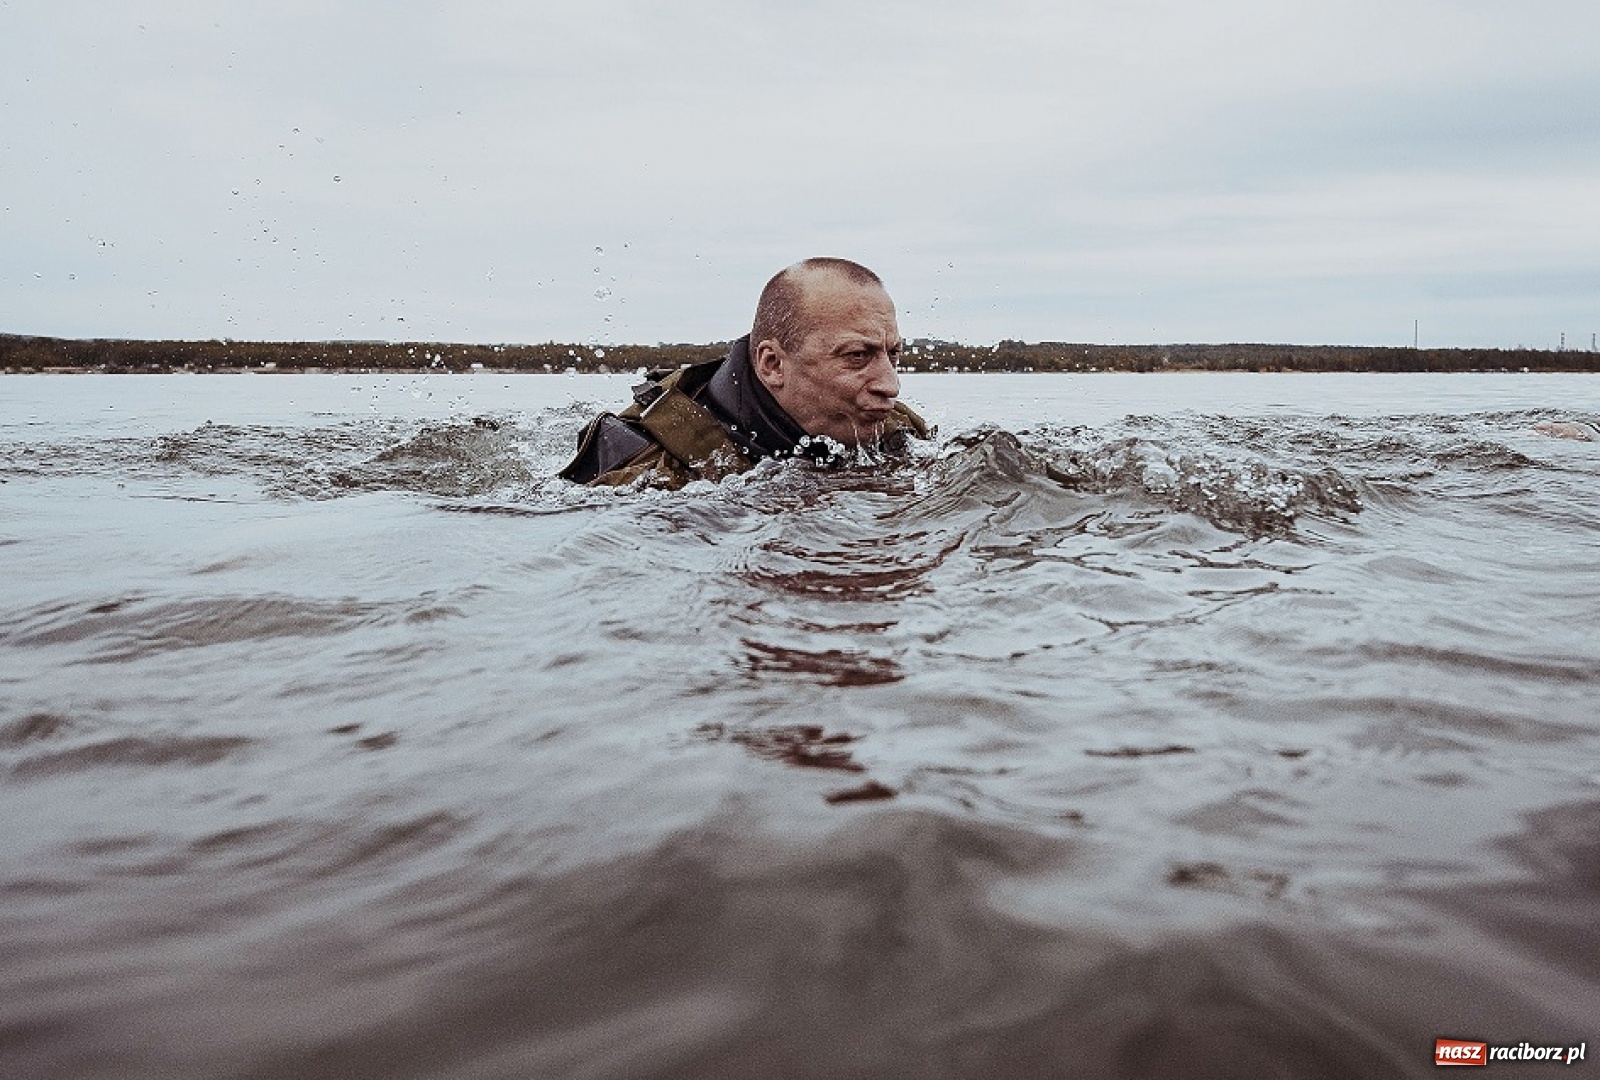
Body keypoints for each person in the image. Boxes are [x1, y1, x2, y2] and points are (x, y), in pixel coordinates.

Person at [559, 258, 929, 488]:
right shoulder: (651, 478)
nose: (890, 385)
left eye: (893, 354)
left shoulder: (894, 426)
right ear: (773, 365)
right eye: (857, 356)